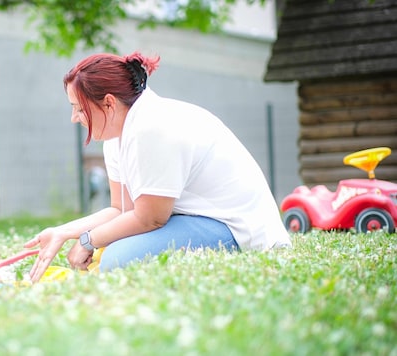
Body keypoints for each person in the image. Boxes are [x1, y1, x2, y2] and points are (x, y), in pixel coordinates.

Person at [25, 51, 291, 282]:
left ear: (108, 102)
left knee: (115, 259)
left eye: (79, 108)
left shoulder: (152, 127)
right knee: (113, 248)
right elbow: (121, 210)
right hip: (195, 218)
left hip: (234, 228)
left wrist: (88, 240)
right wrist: (62, 232)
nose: (74, 118)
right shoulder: (116, 135)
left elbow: (150, 218)